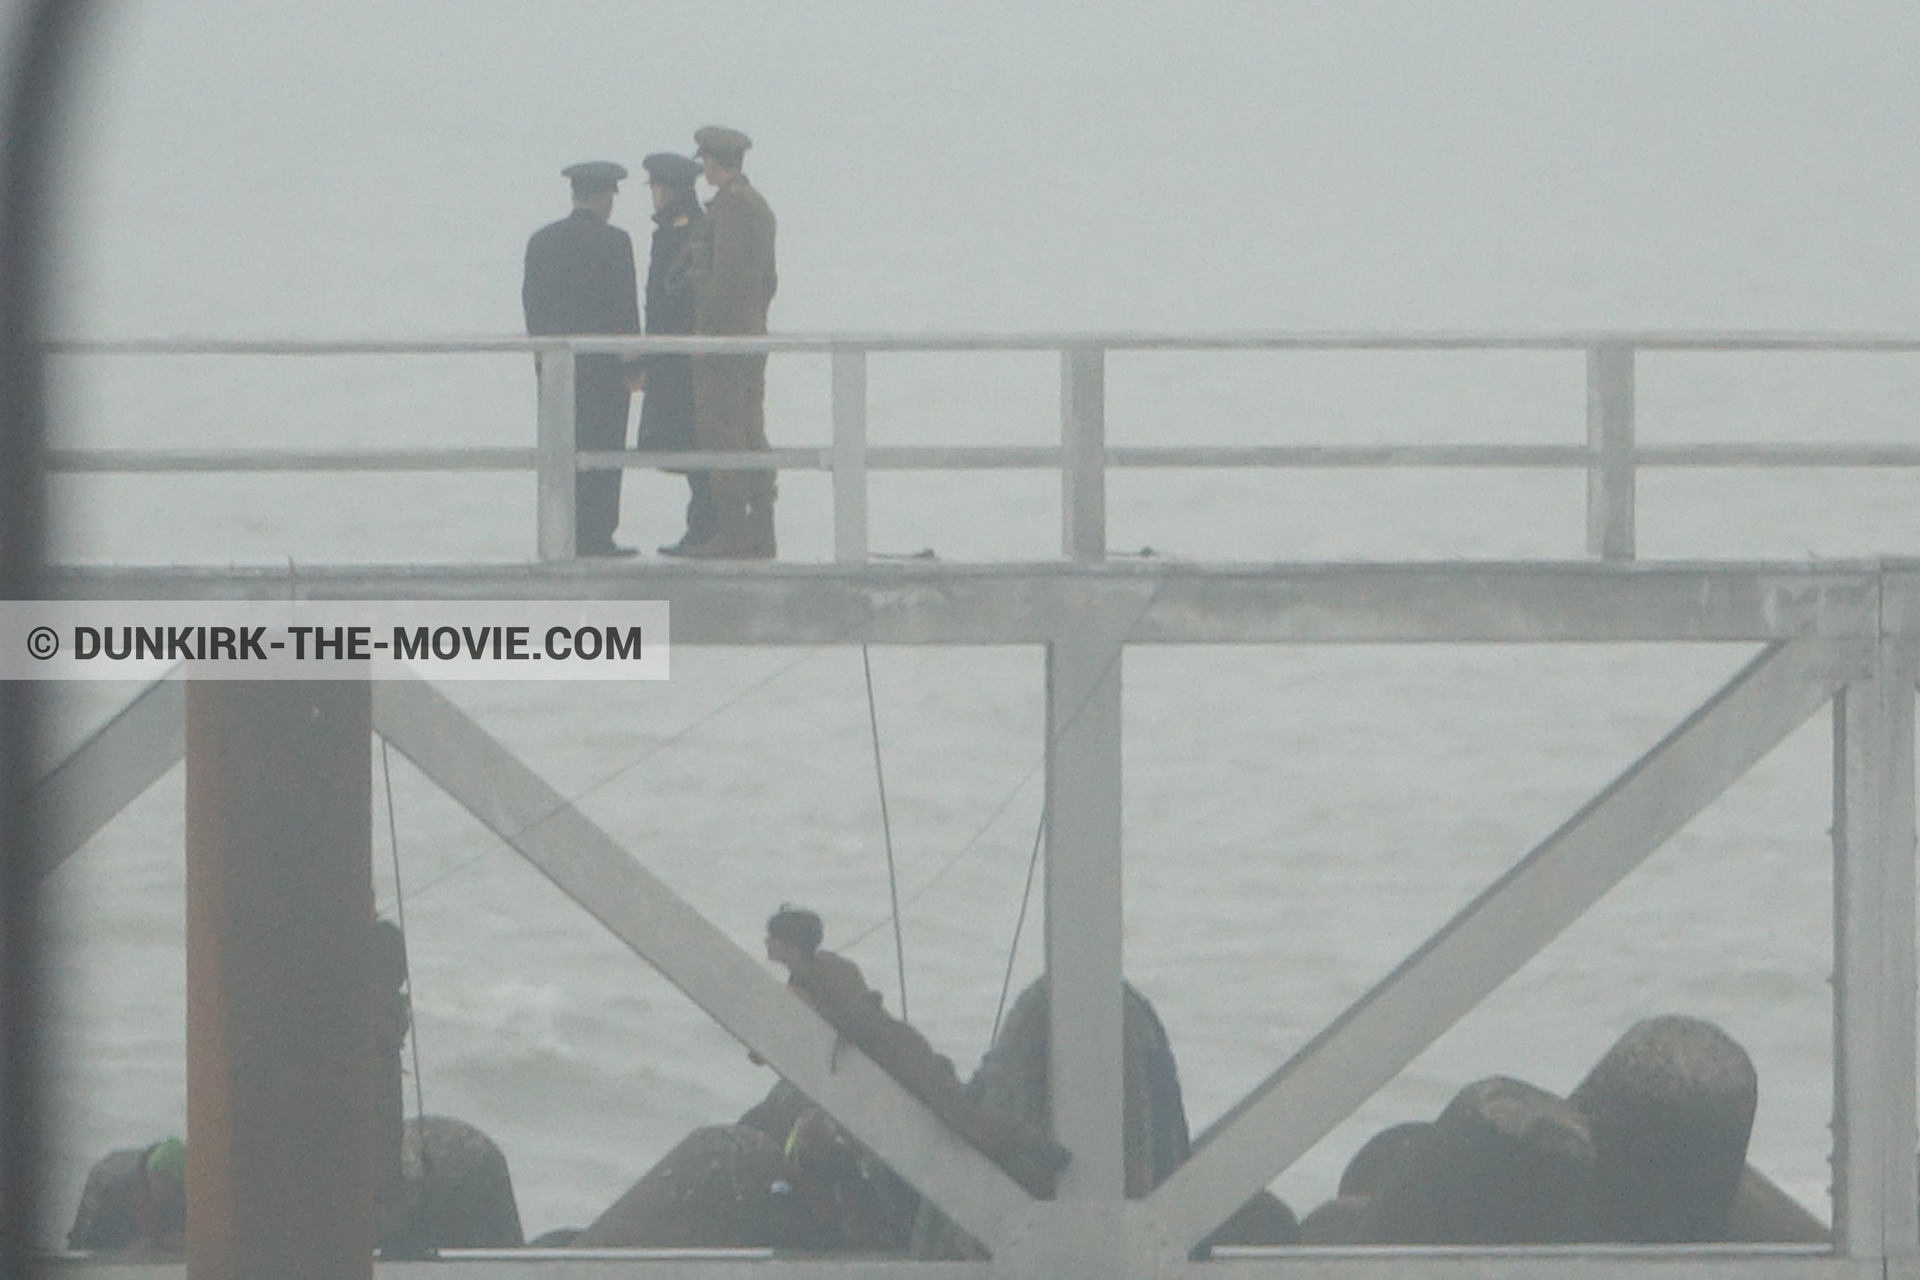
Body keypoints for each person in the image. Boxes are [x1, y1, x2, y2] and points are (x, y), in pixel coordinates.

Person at [758, 906, 1070, 1197]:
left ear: (789, 944)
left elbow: (861, 1021)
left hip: (898, 1052)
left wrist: (815, 1012)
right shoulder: (801, 980)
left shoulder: (833, 969)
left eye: (773, 937)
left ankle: (1039, 1153)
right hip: (884, 1057)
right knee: (950, 1119)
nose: (767, 942)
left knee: (959, 1116)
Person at [522, 160, 642, 557]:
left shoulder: (541, 241)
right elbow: (625, 310)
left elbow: (532, 306)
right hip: (603, 370)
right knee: (604, 454)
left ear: (575, 195)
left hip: (557, 370)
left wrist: (541, 360)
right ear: (606, 198)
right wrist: (633, 365)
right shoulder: (616, 242)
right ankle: (597, 536)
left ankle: (561, 533)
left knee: (560, 452)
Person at [677, 126, 778, 559]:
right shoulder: (756, 205)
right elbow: (767, 280)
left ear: (713, 161)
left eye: (704, 161)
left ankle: (735, 533)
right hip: (750, 334)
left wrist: (708, 334)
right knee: (751, 429)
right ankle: (760, 529)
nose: (702, 168)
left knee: (725, 431)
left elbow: (728, 279)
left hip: (727, 341)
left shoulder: (733, 207)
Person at [633, 152, 712, 556]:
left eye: (656, 189)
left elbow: (668, 300)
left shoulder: (682, 230)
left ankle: (703, 530)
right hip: (676, 353)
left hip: (680, 355)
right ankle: (700, 529)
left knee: (695, 442)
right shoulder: (684, 227)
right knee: (691, 442)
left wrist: (650, 354)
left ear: (667, 190)